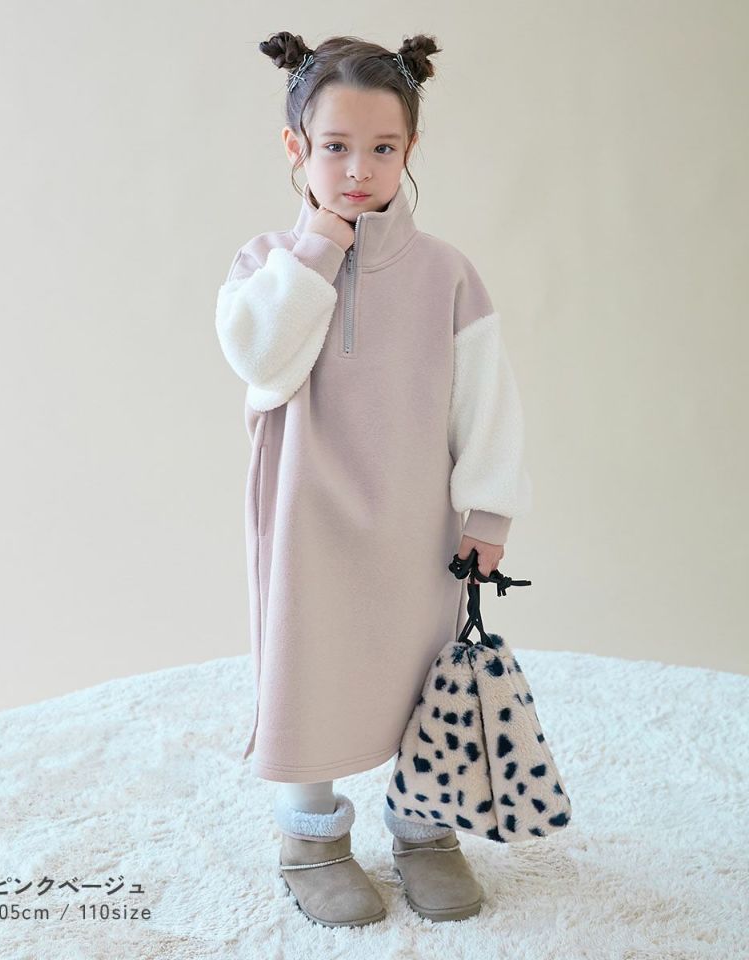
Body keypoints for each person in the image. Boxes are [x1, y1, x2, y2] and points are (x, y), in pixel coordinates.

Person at [215, 32, 532, 927]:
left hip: (416, 524)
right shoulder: (266, 264)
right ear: (295, 147)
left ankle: (426, 829)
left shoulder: (446, 274)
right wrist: (318, 247)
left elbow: (487, 402)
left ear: (410, 149)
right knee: (307, 668)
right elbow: (262, 361)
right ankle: (310, 839)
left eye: (383, 147)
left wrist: (489, 513)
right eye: (336, 146)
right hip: (306, 519)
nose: (359, 169)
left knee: (425, 675)